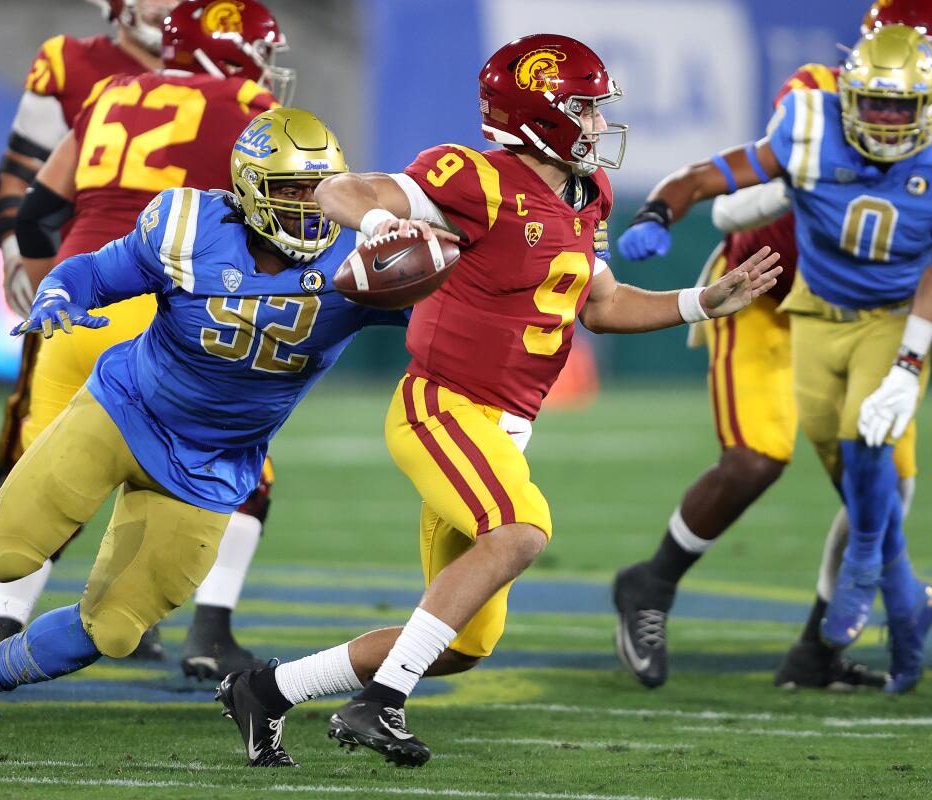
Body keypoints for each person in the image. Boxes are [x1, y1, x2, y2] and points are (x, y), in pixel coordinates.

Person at [213, 33, 781, 769]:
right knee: (521, 529)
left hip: (505, 429)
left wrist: (701, 303)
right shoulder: (476, 177)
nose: (600, 124)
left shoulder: (589, 191)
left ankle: (267, 690)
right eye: (584, 109)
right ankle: (378, 704)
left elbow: (601, 303)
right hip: (442, 407)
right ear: (540, 114)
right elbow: (336, 189)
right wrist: (384, 224)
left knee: (462, 644)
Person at [0, 108, 411, 757]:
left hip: (215, 463)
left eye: (318, 187)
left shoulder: (360, 257)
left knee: (115, 629)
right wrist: (58, 297)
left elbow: (443, 316)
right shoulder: (189, 227)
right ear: (249, 190)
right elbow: (96, 274)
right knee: (4, 552)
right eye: (290, 192)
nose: (309, 207)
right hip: (124, 410)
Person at [610, 0, 932, 692]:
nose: (886, 110)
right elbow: (735, 176)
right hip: (763, 290)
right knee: (757, 458)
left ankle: (815, 650)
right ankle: (651, 583)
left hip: (865, 316)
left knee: (884, 488)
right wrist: (670, 208)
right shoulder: (813, 100)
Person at [0, 0, 289, 679]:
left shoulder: (109, 91)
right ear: (229, 53)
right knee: (240, 471)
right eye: (260, 50)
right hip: (165, 310)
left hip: (78, 301)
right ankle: (209, 632)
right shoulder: (245, 100)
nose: (268, 67)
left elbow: (38, 214)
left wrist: (53, 288)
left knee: (39, 479)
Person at [0, 0, 179, 661]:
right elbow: (19, 177)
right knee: (30, 456)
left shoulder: (211, 68)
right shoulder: (75, 63)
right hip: (88, 291)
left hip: (174, 301)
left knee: (154, 462)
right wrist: (20, 252)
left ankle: (122, 604)